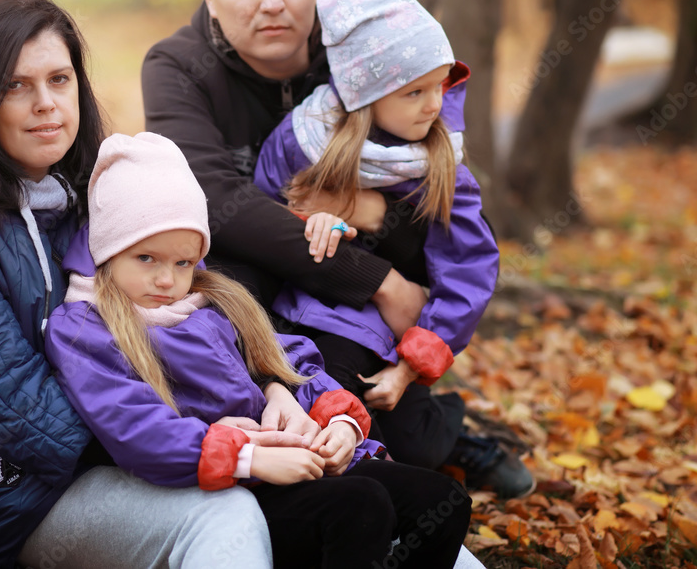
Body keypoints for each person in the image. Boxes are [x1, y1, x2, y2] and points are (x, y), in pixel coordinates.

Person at [142, 0, 532, 498]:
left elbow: (439, 202)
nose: (273, 1)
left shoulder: (366, 51)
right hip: (265, 285)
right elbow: (215, 202)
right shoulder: (177, 67)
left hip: (360, 306)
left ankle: (441, 437)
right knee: (229, 286)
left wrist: (375, 216)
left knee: (404, 429)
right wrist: (377, 278)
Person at [0, 0, 276, 569]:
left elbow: (194, 307)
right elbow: (26, 420)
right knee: (227, 512)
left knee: (346, 496)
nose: (46, 104)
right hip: (17, 494)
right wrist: (206, 440)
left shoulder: (86, 191)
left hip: (145, 441)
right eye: (15, 86)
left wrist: (275, 389)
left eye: (59, 79)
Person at [44, 131, 470, 569]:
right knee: (360, 506)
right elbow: (136, 429)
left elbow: (290, 360)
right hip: (218, 481)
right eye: (146, 258)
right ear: (109, 250)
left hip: (284, 455)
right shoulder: (86, 327)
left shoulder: (214, 302)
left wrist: (339, 422)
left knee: (443, 501)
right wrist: (250, 457)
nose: (168, 280)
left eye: (183, 262)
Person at [251, 0, 534, 499]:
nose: (433, 105)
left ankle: (445, 443)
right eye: (413, 92)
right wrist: (302, 223)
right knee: (330, 415)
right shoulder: (304, 140)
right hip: (306, 315)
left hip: (390, 333)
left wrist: (412, 365)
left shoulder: (440, 161)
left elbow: (469, 267)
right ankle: (366, 505)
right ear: (365, 93)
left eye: (439, 85)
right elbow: (261, 209)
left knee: (416, 440)